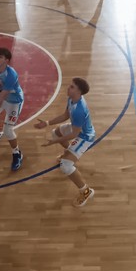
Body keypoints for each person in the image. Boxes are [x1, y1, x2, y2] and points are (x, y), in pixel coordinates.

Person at [34, 77, 96, 207]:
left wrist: (53, 142)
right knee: (55, 133)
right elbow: (65, 116)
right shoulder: (71, 99)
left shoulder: (80, 110)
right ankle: (70, 154)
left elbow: (74, 134)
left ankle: (86, 191)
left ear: (79, 92)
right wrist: (46, 123)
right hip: (76, 128)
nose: (68, 87)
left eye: (72, 87)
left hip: (84, 136)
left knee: (65, 166)